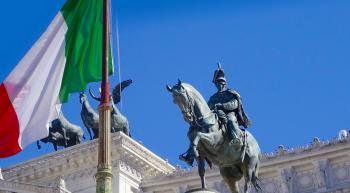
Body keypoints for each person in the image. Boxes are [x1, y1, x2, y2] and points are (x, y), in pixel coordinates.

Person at [208, 63, 251, 146]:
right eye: (218, 83)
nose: (219, 84)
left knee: (230, 120)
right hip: (216, 115)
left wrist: (222, 106)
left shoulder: (230, 93)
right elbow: (207, 108)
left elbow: (234, 104)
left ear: (225, 83)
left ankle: (236, 139)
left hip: (229, 113)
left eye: (221, 82)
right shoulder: (213, 97)